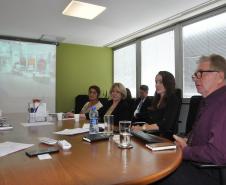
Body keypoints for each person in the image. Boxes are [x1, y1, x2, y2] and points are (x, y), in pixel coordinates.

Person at [156, 54, 226, 185]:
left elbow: (219, 154)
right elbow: (198, 134)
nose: (196, 79)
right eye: (195, 75)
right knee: (157, 163)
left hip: (211, 173)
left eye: (201, 73)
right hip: (197, 164)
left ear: (220, 76)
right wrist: (186, 140)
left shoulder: (223, 103)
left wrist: (186, 150)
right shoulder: (207, 101)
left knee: (157, 176)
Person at [133, 71, 180, 138]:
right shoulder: (156, 99)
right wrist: (140, 126)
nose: (157, 85)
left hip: (166, 138)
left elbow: (165, 125)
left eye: (160, 82)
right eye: (156, 82)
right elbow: (151, 120)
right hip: (152, 135)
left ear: (168, 83)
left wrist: (144, 128)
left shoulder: (173, 99)